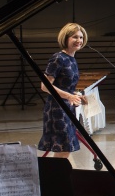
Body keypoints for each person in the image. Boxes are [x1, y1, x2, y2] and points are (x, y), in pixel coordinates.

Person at [37, 23, 89, 158]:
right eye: (75, 37)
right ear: (65, 38)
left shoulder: (72, 59)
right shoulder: (58, 58)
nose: (79, 40)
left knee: (65, 148)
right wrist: (69, 96)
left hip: (67, 107)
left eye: (81, 37)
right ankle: (54, 171)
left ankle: (56, 171)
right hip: (56, 109)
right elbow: (45, 86)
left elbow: (64, 86)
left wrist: (76, 95)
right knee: (63, 148)